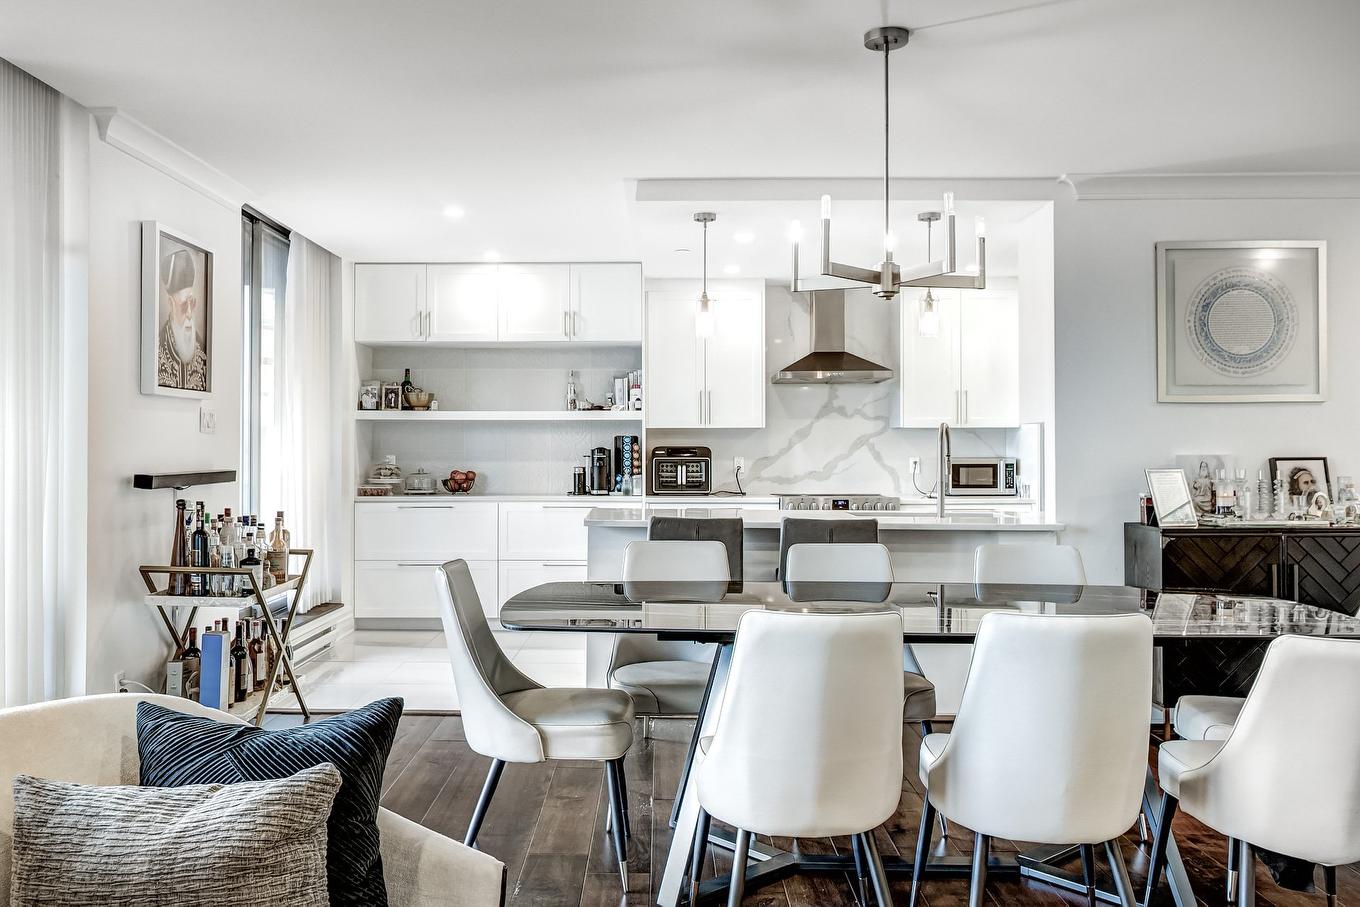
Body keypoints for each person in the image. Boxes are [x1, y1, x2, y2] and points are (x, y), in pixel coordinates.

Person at [157, 247, 208, 391]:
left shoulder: (201, 347)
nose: (190, 314)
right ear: (171, 304)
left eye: (192, 303)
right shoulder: (158, 346)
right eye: (184, 305)